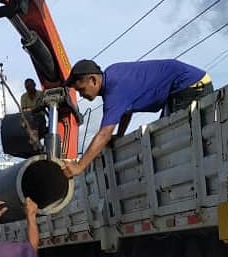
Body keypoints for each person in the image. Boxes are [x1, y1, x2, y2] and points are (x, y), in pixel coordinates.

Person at [62, 58, 212, 179]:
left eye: (81, 90)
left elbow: (104, 133)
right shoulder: (113, 74)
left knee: (172, 141)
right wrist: (120, 135)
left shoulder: (114, 91)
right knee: (165, 139)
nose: (81, 95)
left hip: (190, 86)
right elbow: (127, 110)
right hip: (181, 87)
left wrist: (79, 166)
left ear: (93, 80)